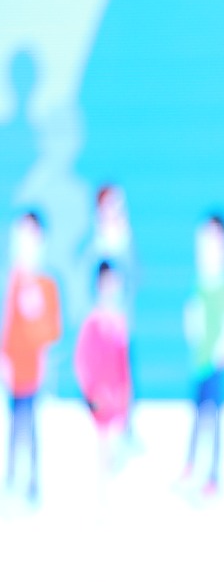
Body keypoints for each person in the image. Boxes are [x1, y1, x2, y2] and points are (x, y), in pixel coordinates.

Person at [182, 212, 224, 498]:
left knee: (214, 418)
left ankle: (212, 476)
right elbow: (193, 313)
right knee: (198, 415)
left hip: (216, 363)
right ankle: (190, 465)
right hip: (199, 359)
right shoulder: (201, 281)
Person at [2, 209, 61, 507]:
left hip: (36, 371)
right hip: (13, 369)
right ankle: (12, 480)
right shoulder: (11, 281)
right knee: (15, 425)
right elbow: (6, 325)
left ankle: (33, 483)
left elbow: (53, 330)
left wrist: (36, 313)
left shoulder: (46, 284)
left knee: (32, 426)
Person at [73, 261, 133, 479]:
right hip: (99, 401)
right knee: (102, 454)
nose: (112, 289)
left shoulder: (120, 321)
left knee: (118, 460)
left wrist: (126, 399)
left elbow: (124, 365)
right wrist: (92, 395)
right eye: (108, 283)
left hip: (118, 401)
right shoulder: (92, 322)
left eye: (115, 283)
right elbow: (82, 361)